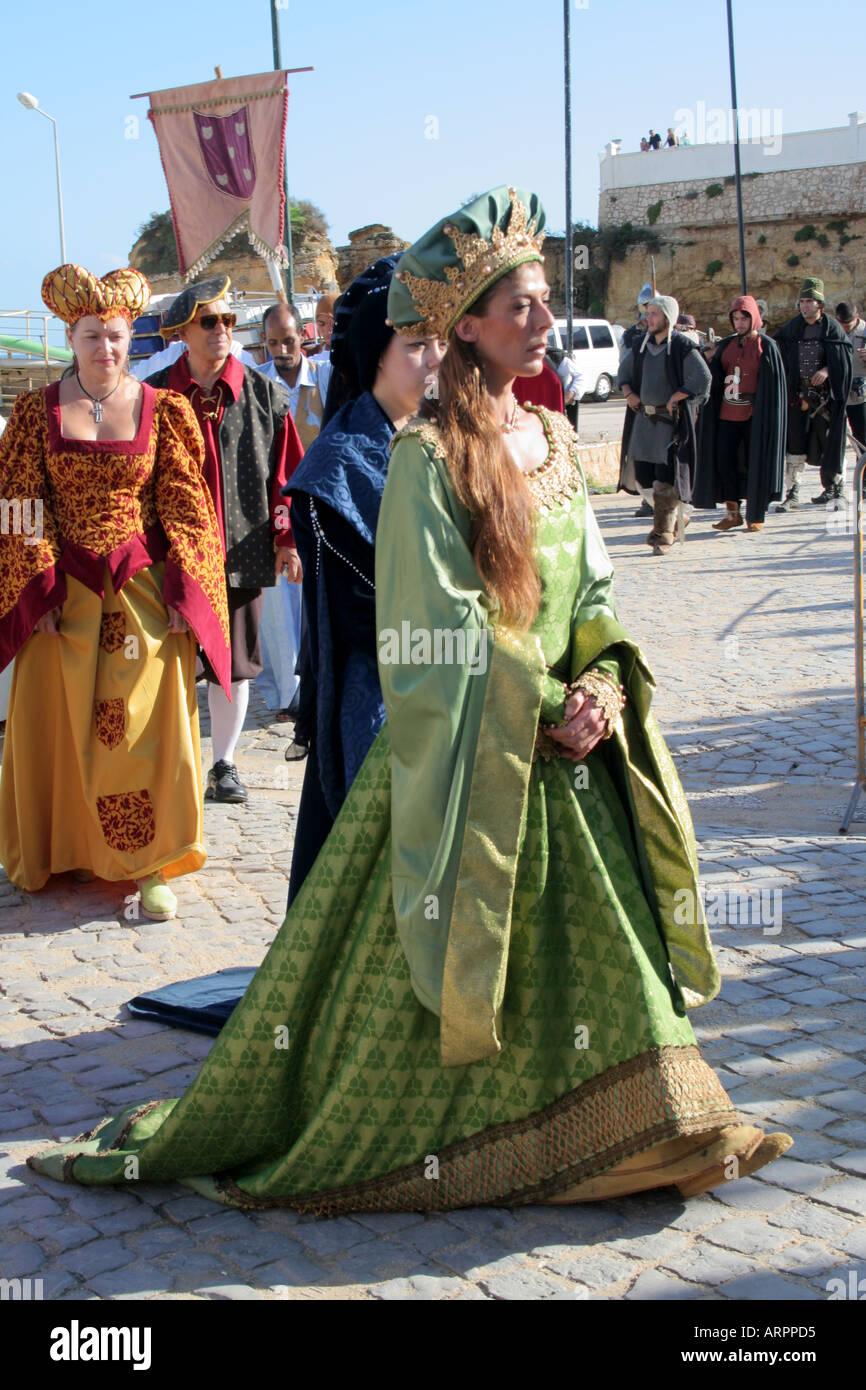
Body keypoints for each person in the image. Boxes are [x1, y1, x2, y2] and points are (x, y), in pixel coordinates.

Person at [29, 189, 790, 1210]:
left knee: (605, 972)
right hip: (478, 751)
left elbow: (595, 592)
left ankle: (655, 1122)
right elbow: (429, 633)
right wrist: (540, 700)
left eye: (542, 301)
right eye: (518, 305)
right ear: (462, 326)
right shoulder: (424, 461)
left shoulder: (558, 446)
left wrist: (602, 682)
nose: (543, 321)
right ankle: (488, 1139)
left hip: (573, 752)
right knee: (418, 984)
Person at [0, 265, 229, 920]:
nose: (106, 349)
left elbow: (187, 509)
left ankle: (148, 862)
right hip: (61, 597)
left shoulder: (166, 412)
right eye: (93, 336)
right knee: (61, 726)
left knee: (140, 732)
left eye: (118, 337)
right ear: (71, 338)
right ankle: (64, 849)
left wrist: (189, 596)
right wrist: (36, 586)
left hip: (139, 593)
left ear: (134, 340)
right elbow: (19, 504)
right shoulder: (32, 413)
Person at [284, 258, 445, 905]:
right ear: (376, 354)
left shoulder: (445, 439)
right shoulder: (338, 464)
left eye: (438, 340)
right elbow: (358, 611)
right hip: (381, 691)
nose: (434, 357)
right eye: (416, 345)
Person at [144, 276, 304, 803]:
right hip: (169, 553)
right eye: (210, 321)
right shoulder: (156, 395)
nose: (222, 331)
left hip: (240, 548)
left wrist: (287, 540)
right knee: (164, 661)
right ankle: (166, 764)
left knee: (232, 663)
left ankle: (223, 763)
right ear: (183, 331)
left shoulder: (265, 395)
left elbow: (288, 475)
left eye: (229, 321)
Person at [618, 294, 711, 552]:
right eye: (649, 314)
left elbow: (703, 377)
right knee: (643, 481)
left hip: (670, 423)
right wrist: (628, 393)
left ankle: (662, 536)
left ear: (668, 318)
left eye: (656, 314)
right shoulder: (639, 346)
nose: (650, 318)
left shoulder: (682, 347)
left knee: (664, 483)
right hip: (644, 421)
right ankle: (677, 517)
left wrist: (678, 395)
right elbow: (623, 375)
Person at [693, 295, 786, 532]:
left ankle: (756, 514)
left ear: (754, 318)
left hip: (756, 416)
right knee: (724, 460)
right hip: (727, 414)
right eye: (736, 318)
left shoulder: (767, 347)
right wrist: (709, 359)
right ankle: (732, 512)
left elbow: (773, 386)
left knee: (756, 462)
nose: (740, 323)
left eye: (744, 318)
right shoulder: (726, 346)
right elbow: (712, 378)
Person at [773, 278, 853, 510]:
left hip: (825, 400)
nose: (804, 305)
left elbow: (843, 360)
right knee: (794, 444)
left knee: (831, 444)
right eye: (802, 301)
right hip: (798, 397)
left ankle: (836, 490)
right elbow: (775, 350)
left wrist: (828, 370)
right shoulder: (791, 329)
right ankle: (792, 493)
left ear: (819, 304)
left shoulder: (832, 329)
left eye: (809, 301)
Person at [257, 301, 325, 451]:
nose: (282, 351)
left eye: (289, 342)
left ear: (302, 335)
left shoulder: (324, 376)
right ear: (263, 338)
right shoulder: (255, 383)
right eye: (273, 343)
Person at [620, 283, 656, 518]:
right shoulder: (632, 337)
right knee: (640, 452)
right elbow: (624, 368)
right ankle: (647, 499)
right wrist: (628, 393)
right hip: (638, 403)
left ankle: (664, 501)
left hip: (664, 406)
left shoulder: (673, 337)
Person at [835, 302, 866, 457]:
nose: (845, 327)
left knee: (863, 438)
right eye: (842, 324)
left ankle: (864, 478)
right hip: (838, 393)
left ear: (857, 317)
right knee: (835, 440)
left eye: (849, 323)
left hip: (861, 396)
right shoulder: (833, 332)